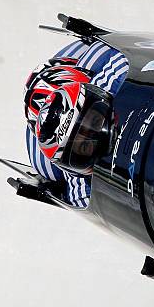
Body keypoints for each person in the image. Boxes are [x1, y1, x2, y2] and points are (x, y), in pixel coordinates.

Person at [23, 39, 129, 207]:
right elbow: (83, 199)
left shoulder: (99, 60)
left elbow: (125, 62)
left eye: (94, 120)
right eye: (85, 146)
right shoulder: (53, 163)